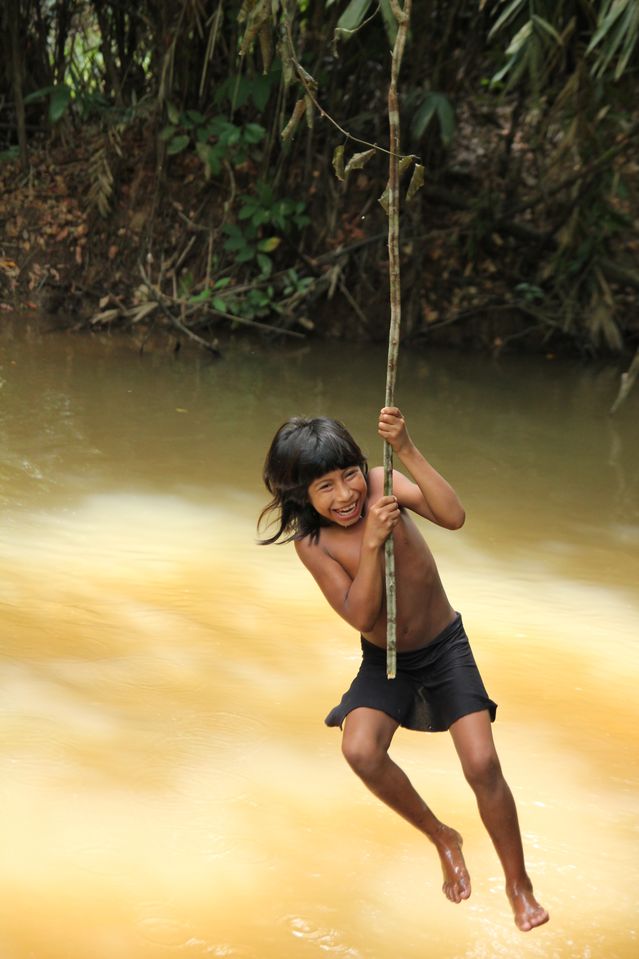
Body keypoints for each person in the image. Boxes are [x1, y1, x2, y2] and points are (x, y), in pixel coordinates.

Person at [258, 407, 549, 932]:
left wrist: (408, 448)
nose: (346, 495)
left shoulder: (381, 484)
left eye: (348, 475)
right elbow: (362, 615)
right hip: (386, 658)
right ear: (300, 495)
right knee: (359, 749)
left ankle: (518, 884)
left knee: (482, 764)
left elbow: (454, 516)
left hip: (443, 646)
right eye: (325, 487)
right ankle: (442, 836)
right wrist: (371, 542)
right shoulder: (314, 543)